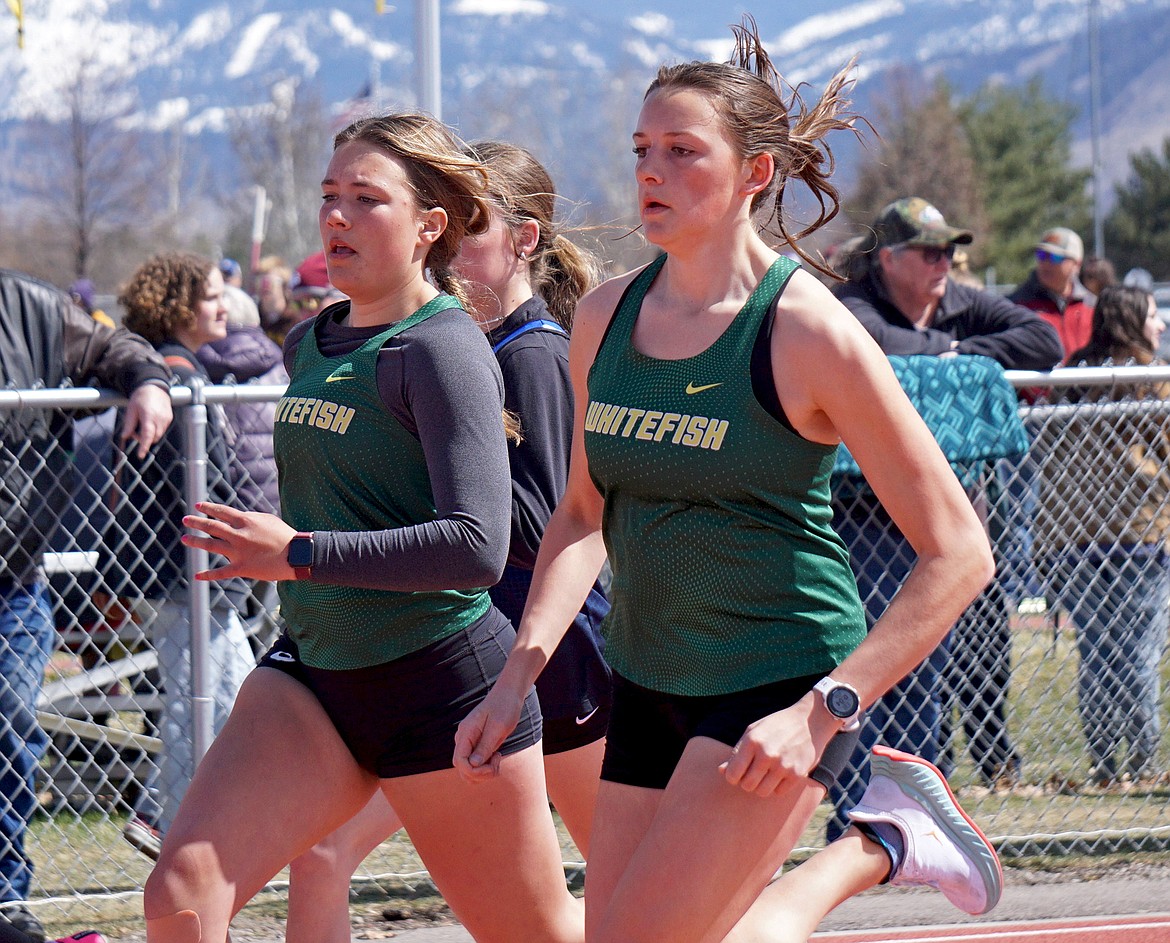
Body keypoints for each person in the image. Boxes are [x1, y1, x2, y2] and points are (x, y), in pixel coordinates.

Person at [455, 22, 1002, 943]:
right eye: (640, 151)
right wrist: (519, 673)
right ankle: (888, 835)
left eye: (681, 151)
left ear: (755, 173)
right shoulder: (602, 317)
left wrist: (826, 708)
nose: (650, 172)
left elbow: (959, 552)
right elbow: (584, 513)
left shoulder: (805, 330)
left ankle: (863, 846)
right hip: (647, 677)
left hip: (776, 687)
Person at [147, 113, 586, 943]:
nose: (337, 216)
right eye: (328, 197)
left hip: (439, 688)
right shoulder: (308, 339)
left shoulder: (444, 346)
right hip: (314, 673)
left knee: (542, 934)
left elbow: (478, 545)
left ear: (429, 227)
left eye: (365, 199)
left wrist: (299, 553)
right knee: (179, 892)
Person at [281, 139, 612, 943]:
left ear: (524, 240)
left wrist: (452, 460)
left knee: (639, 895)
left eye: (473, 226)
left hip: (544, 657)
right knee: (323, 853)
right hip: (448, 652)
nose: (451, 244)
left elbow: (536, 523)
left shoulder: (529, 352)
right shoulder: (449, 340)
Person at [830, 198, 1061, 829]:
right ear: (888, 258)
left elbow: (1043, 339)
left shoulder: (959, 299)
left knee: (932, 669)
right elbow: (868, 343)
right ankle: (854, 818)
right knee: (864, 669)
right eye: (929, 252)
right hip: (863, 521)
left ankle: (916, 821)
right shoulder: (853, 300)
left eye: (948, 251)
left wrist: (951, 348)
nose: (945, 263)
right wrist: (958, 357)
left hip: (948, 522)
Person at [0, 267, 172, 942]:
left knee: (10, 731)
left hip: (12, 579)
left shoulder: (32, 308)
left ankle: (4, 898)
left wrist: (151, 384)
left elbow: (122, 349)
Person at [114, 254, 258, 861]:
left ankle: (188, 820)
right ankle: (162, 818)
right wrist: (247, 535)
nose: (222, 306)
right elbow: (200, 488)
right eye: (210, 296)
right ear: (177, 306)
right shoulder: (174, 376)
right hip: (186, 575)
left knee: (240, 693)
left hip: (199, 572)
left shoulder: (185, 370)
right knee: (210, 697)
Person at [1036, 285, 1169, 787]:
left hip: (1070, 538)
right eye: (1153, 316)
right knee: (1138, 652)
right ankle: (1142, 763)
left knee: (1096, 650)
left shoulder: (1071, 376)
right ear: (1134, 321)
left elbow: (1047, 450)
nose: (1159, 326)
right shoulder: (1151, 379)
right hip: (1139, 535)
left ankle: (1105, 765)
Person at [1009, 226, 1092, 363]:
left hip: (1084, 383)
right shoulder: (1017, 305)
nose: (1046, 263)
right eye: (1041, 255)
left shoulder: (1091, 305)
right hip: (1039, 383)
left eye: (1055, 257)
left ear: (1076, 264)